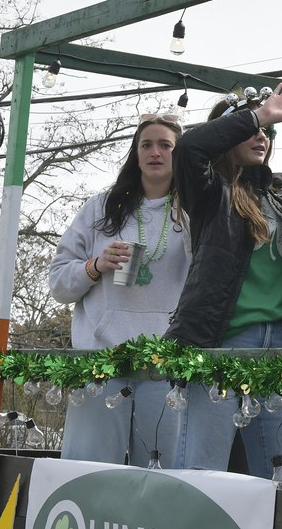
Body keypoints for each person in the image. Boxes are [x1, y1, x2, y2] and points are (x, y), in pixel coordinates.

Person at [163, 82, 282, 483]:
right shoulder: (209, 190)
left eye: (269, 132)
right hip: (220, 342)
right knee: (202, 474)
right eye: (252, 130)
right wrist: (259, 114)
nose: (262, 136)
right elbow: (190, 148)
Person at [49, 113, 192, 467]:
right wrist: (95, 266)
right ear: (136, 153)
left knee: (161, 482)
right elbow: (58, 283)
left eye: (165, 145)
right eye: (146, 145)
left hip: (165, 368)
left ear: (181, 154)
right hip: (101, 365)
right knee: (88, 475)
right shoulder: (101, 208)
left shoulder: (195, 212)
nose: (155, 152)